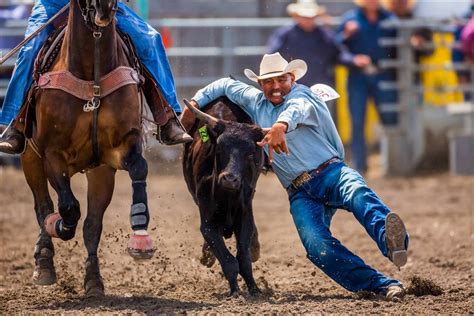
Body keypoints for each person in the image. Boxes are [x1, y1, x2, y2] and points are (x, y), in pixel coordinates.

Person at [181, 52, 409, 301]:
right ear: (260, 85)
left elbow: (296, 110)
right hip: (299, 191)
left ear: (292, 79)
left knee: (357, 194)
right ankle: (381, 285)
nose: (275, 86)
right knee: (317, 247)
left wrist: (281, 126)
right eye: (269, 81)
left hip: (332, 172)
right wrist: (194, 104)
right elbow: (224, 84)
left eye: (281, 80)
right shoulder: (256, 101)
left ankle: (392, 242)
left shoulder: (304, 95)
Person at [0, 0, 192, 154]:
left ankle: (168, 118)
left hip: (105, 3)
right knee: (30, 50)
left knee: (150, 40)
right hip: (55, 4)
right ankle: (13, 124)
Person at [336, 0, 398, 173]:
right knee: (357, 121)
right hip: (358, 76)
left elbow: (400, 44)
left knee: (390, 118)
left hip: (383, 74)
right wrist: (346, 37)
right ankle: (360, 166)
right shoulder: (350, 19)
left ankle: (393, 164)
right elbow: (337, 47)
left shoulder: (390, 19)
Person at [267, 0, 372, 88]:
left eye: (311, 17)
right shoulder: (285, 35)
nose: (308, 20)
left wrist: (354, 60)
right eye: (305, 16)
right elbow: (273, 56)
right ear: (296, 16)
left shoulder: (324, 35)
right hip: (292, 86)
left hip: (320, 86)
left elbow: (338, 54)